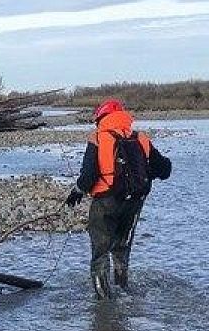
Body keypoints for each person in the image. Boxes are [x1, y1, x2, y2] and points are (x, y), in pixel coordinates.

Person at [66, 99, 172, 298]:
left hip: (105, 202)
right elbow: (165, 169)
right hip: (133, 202)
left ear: (100, 118)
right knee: (121, 247)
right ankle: (123, 288)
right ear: (123, 117)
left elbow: (89, 176)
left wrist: (76, 192)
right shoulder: (140, 138)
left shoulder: (98, 137)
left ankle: (103, 302)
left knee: (100, 250)